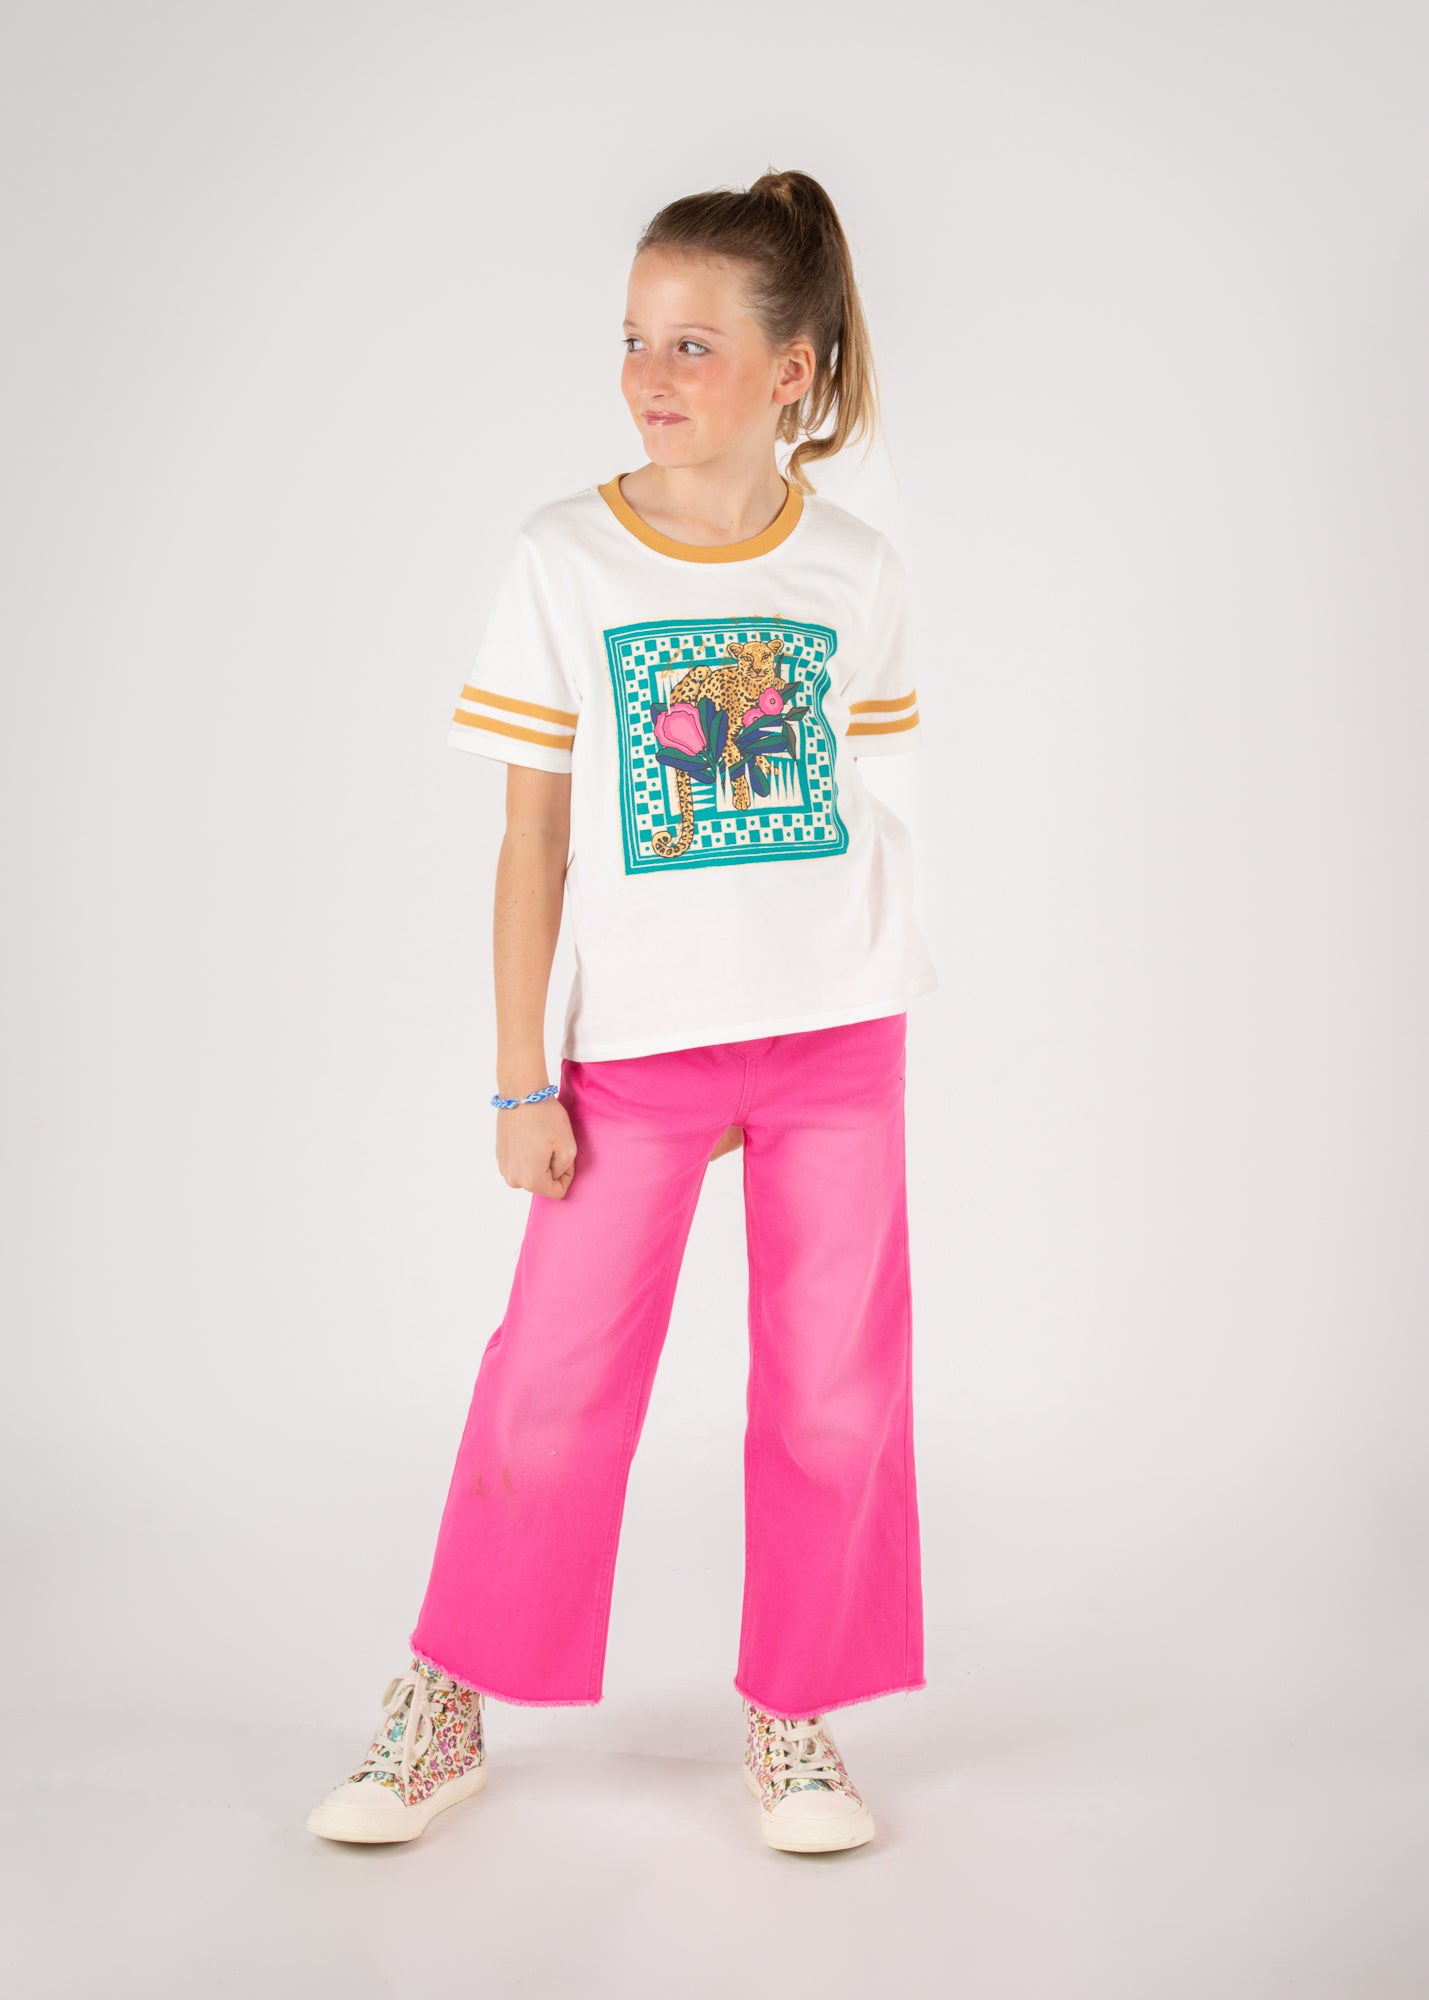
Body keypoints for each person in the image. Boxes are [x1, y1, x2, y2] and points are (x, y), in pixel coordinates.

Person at [307, 166, 938, 1857]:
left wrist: (830, 983)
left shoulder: (856, 568)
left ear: (792, 369)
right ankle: (447, 1697)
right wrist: (520, 1080)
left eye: (694, 344)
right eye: (634, 339)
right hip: (633, 1053)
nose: (649, 375)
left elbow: (861, 801)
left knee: (832, 1391)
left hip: (836, 1036)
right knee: (554, 1381)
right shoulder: (562, 557)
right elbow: (529, 835)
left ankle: (794, 1711)